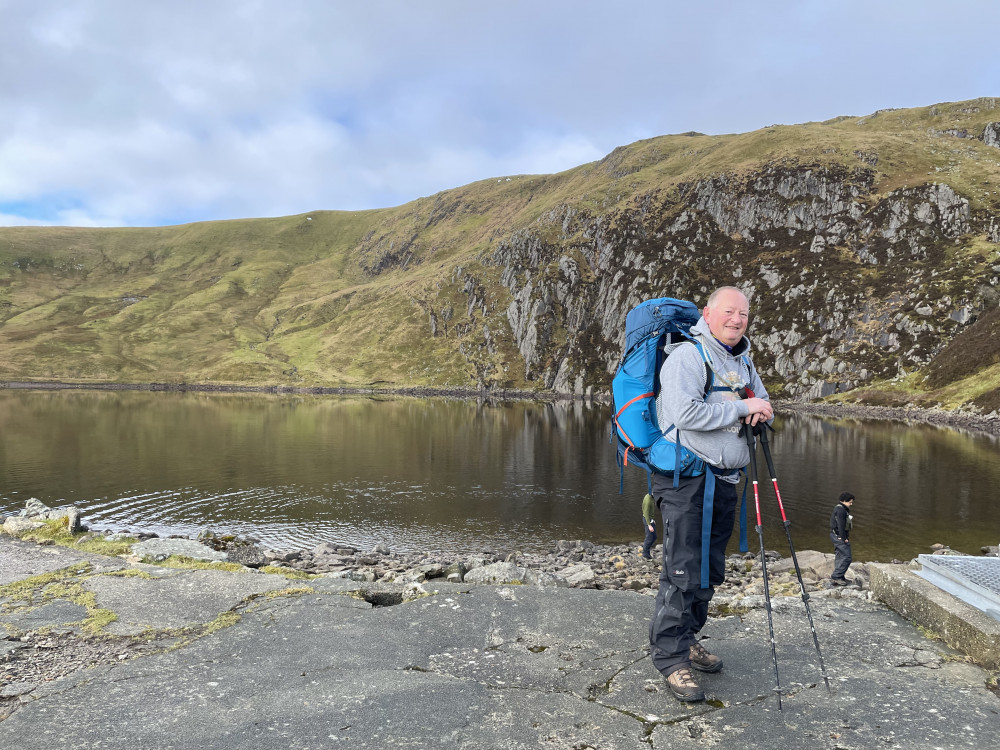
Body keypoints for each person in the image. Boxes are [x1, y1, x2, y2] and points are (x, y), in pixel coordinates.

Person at [649, 286, 773, 703]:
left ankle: (687, 639)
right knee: (682, 569)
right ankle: (670, 659)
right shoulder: (689, 356)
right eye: (729, 312)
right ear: (708, 313)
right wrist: (741, 409)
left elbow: (763, 399)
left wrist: (760, 406)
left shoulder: (743, 360)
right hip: (686, 479)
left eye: (744, 313)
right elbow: (685, 413)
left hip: (724, 479)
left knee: (708, 570)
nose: (737, 319)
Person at [830, 492, 855, 586]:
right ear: (844, 501)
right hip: (838, 536)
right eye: (850, 502)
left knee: (840, 555)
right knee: (847, 557)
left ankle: (840, 577)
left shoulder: (839, 508)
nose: (851, 504)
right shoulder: (841, 511)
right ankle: (836, 576)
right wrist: (843, 538)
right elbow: (840, 525)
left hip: (834, 535)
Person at [641, 492, 658, 560]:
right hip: (647, 520)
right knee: (649, 538)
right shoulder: (648, 500)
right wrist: (649, 525)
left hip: (650, 520)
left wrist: (653, 519)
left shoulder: (651, 497)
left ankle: (647, 550)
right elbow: (646, 513)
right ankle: (645, 554)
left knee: (654, 537)